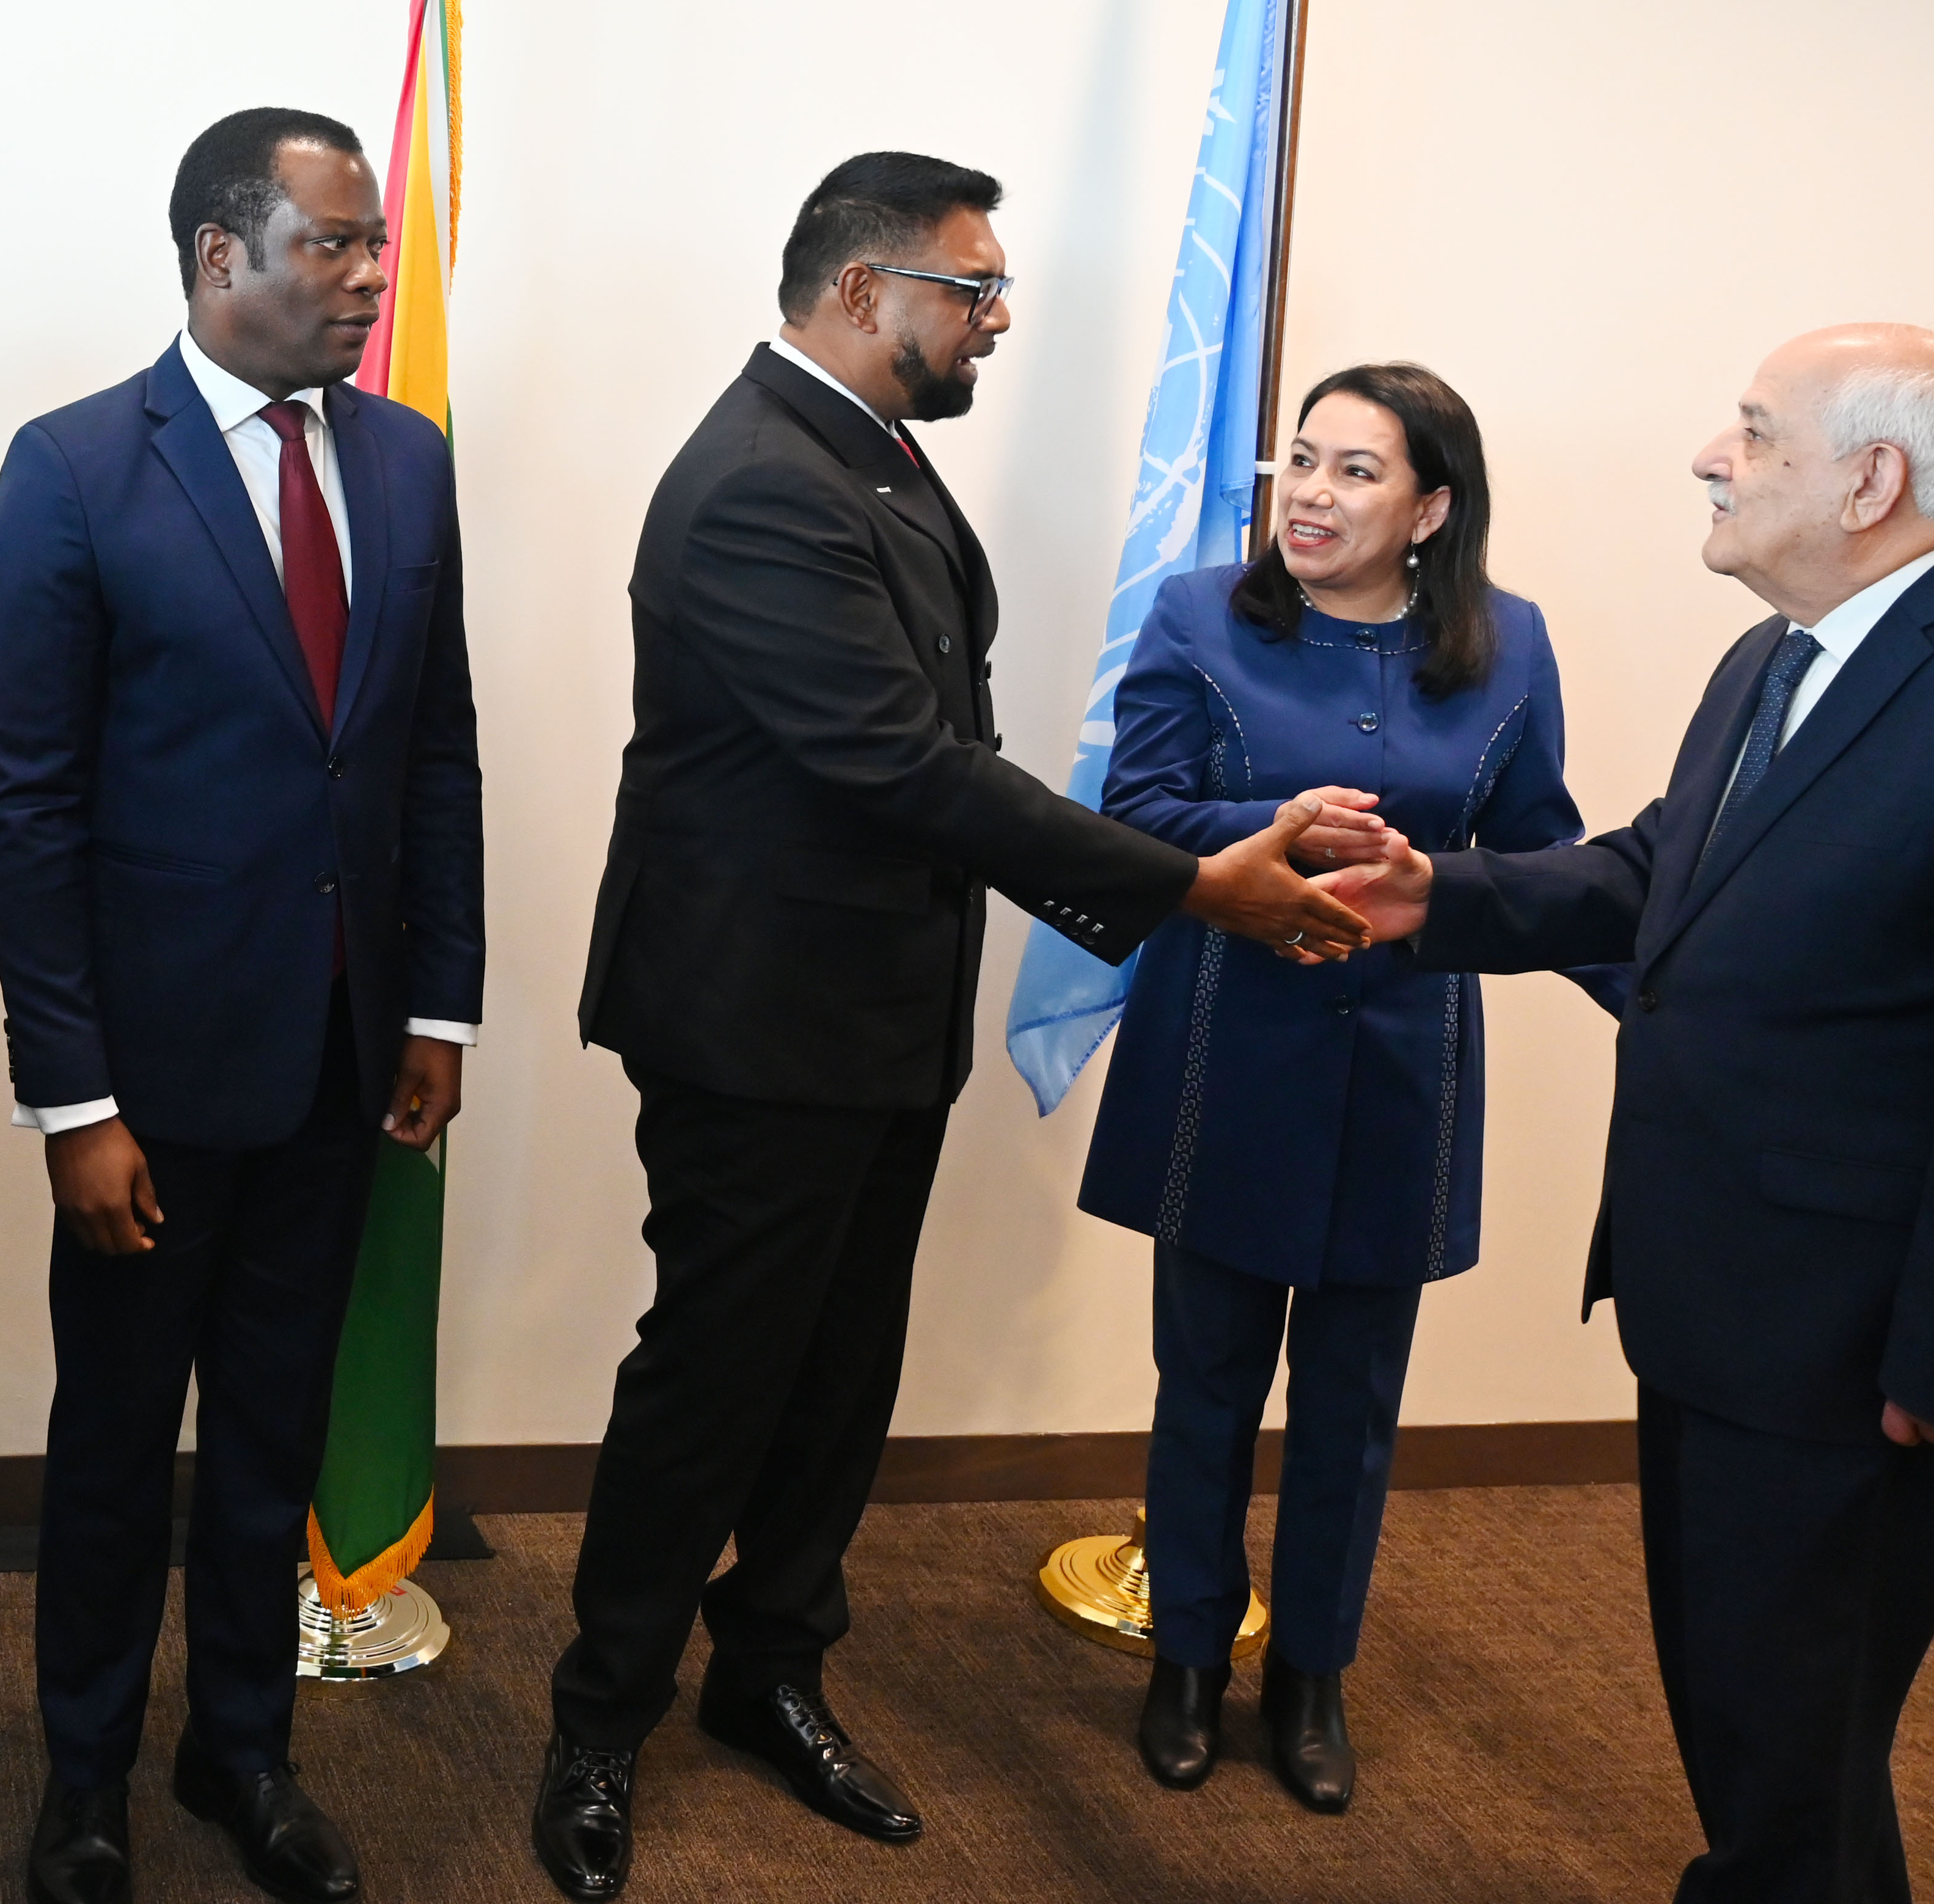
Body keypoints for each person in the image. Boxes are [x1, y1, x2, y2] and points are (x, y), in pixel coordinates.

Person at [532, 152, 1374, 1902]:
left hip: (872, 1011)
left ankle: (771, 1674)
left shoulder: (872, 457)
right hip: (756, 1024)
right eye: (970, 293)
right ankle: (601, 1720)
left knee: (838, 1382)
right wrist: (1186, 883)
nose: (994, 321)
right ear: (862, 290)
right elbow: (900, 765)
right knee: (715, 1384)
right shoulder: (765, 480)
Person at [1333, 325, 1934, 1903]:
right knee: (1763, 1737)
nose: (1713, 456)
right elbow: (1665, 874)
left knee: (1792, 1754)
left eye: (1755, 433)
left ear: (1872, 481)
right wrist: (1434, 895)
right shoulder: (1783, 652)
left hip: (1862, 1359)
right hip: (1718, 1308)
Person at [0, 107, 483, 1904]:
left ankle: (241, 1750)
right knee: (117, 1446)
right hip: (155, 1082)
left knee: (270, 1435)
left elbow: (434, 753)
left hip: (347, 1062)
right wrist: (75, 1102)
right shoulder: (76, 467)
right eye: (334, 247)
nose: (367, 278)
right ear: (218, 256)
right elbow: (26, 811)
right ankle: (87, 1774)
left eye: (372, 246)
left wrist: (441, 1008)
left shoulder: (408, 464)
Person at [1077, 361, 1608, 1811]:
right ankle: (1186, 1656)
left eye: (1355, 470)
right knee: (1207, 1383)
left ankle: (1311, 1676)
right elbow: (1139, 816)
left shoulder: (1514, 650)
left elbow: (1545, 856)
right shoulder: (1203, 616)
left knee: (1354, 1403)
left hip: (1406, 1071)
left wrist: (1678, 998)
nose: (1310, 492)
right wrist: (1278, 825)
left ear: (1432, 508)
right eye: (1300, 461)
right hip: (1224, 1053)